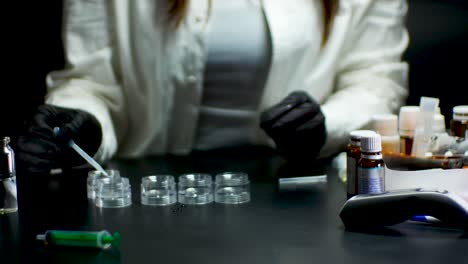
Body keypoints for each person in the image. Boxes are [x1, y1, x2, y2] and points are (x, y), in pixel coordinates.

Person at [16, 0, 409, 174]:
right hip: (153, 198)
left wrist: (327, 123)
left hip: (298, 198)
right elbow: (92, 82)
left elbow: (375, 79)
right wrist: (85, 124)